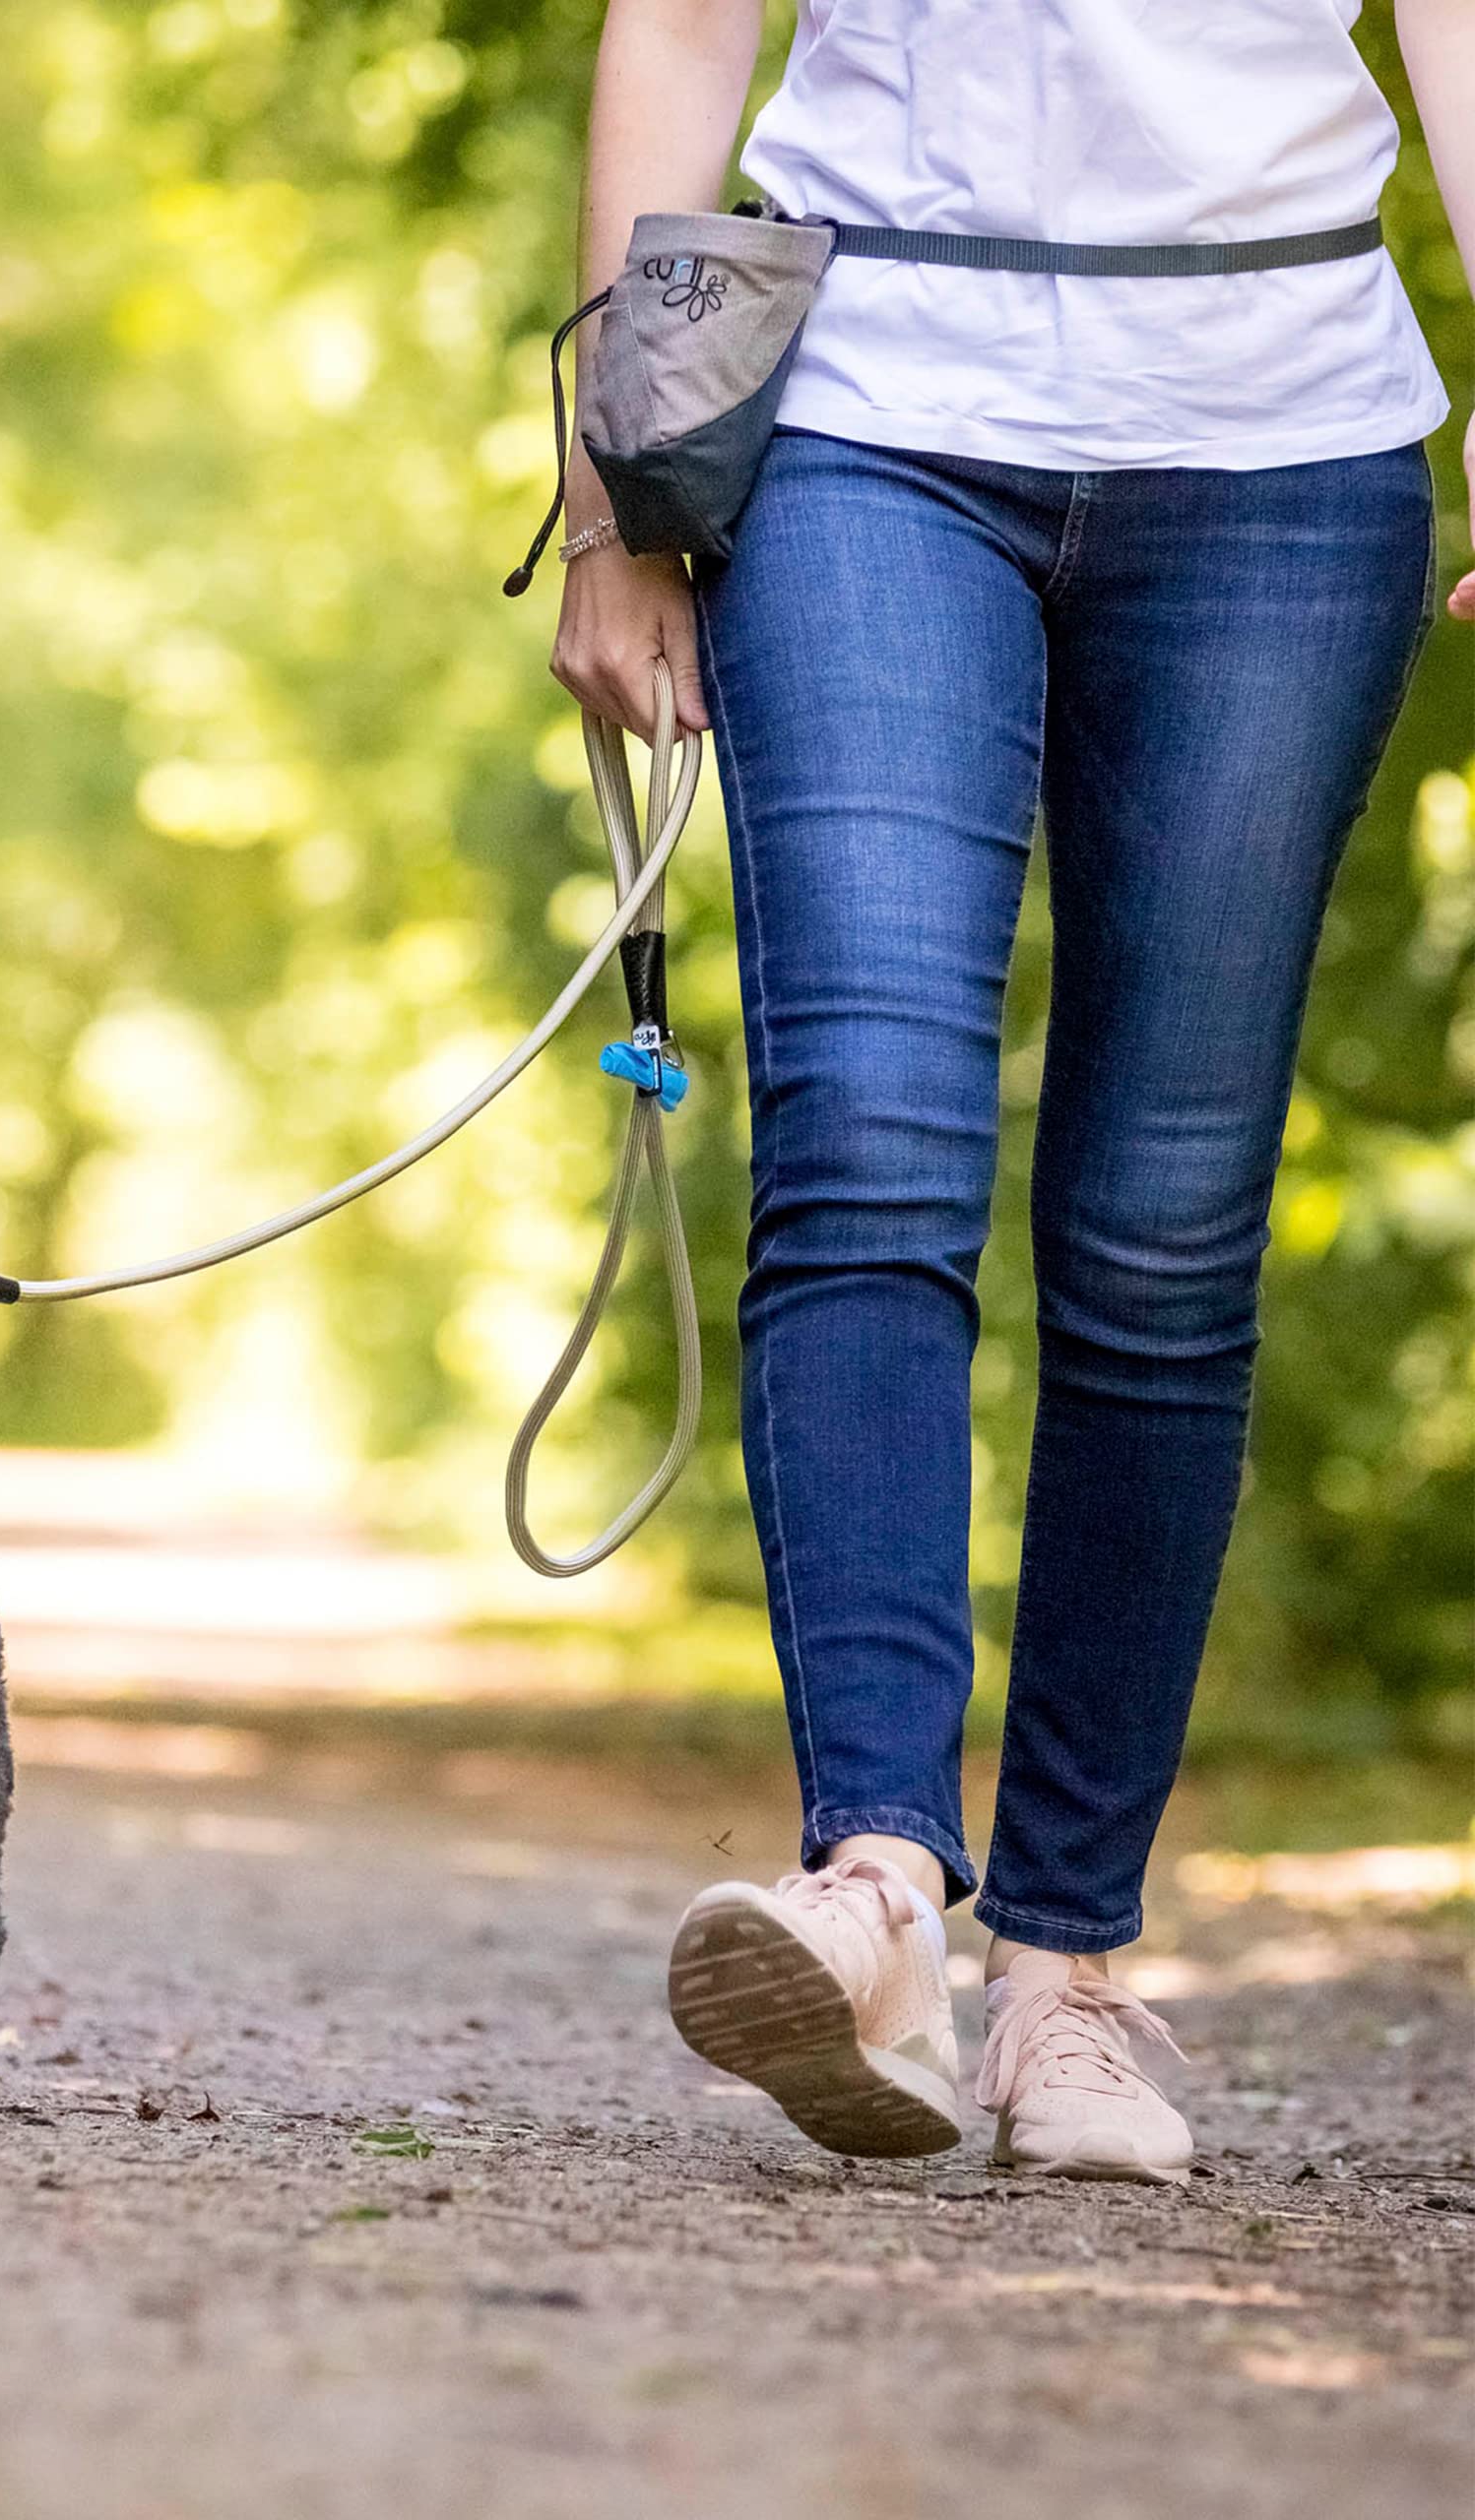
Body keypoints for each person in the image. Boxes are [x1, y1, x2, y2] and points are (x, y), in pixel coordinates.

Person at [551, 0, 1473, 2183]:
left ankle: (1066, 1968)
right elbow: (678, 21)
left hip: (1279, 448)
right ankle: (874, 1885)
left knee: (1163, 1228)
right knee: (866, 1137)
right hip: (866, 418)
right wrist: (609, 498)